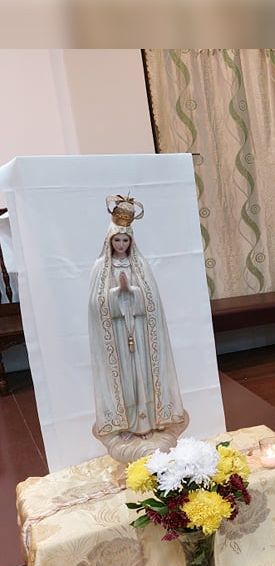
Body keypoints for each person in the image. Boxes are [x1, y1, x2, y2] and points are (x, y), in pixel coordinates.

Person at [89, 195, 188, 463]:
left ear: (131, 242)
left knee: (143, 375)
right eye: (117, 240)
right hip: (119, 335)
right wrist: (115, 294)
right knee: (124, 380)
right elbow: (95, 305)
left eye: (125, 240)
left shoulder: (139, 265)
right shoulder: (101, 268)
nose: (121, 245)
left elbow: (152, 301)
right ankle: (127, 425)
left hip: (141, 333)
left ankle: (150, 423)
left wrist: (130, 290)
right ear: (109, 241)